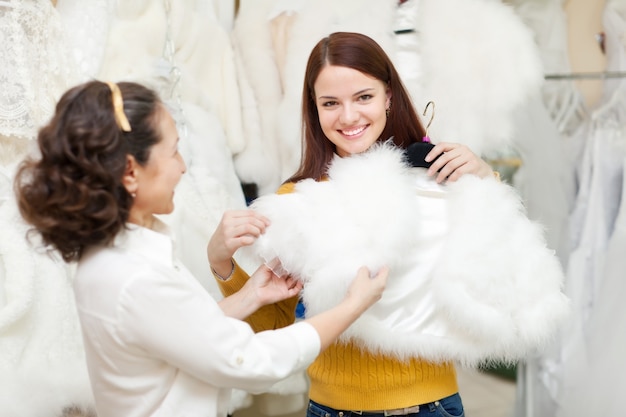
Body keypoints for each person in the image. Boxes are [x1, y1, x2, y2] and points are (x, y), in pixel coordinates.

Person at [13, 80, 388, 417]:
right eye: (174, 153)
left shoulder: (113, 257)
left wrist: (249, 296)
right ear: (131, 171)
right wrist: (351, 306)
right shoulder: (134, 276)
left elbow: (179, 331)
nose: (182, 168)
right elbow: (251, 362)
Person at [208, 32, 499, 417]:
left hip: (431, 405)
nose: (348, 117)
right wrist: (220, 261)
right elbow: (274, 328)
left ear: (389, 96)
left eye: (364, 97)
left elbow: (498, 275)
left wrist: (484, 183)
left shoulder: (436, 176)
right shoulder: (296, 199)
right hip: (331, 408)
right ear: (314, 108)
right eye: (331, 103)